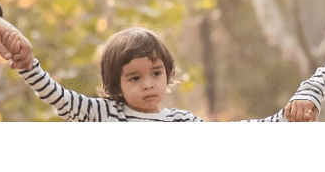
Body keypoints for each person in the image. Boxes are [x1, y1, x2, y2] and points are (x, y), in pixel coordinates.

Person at [16, 27, 284, 121]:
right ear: (116, 84)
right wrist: (28, 66)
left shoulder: (181, 121)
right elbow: (58, 97)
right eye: (135, 78)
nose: (148, 85)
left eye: (156, 73)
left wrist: (282, 119)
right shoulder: (104, 113)